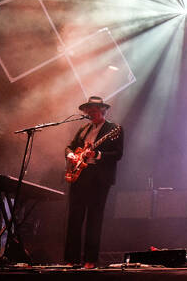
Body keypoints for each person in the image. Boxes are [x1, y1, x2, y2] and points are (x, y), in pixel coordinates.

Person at [64, 96, 124, 269]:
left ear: (103, 111)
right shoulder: (83, 129)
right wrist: (71, 155)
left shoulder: (114, 129)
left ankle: (90, 260)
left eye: (94, 111)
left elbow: (118, 154)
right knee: (74, 218)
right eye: (89, 111)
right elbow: (69, 146)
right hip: (80, 176)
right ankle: (71, 260)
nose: (91, 113)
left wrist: (96, 155)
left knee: (94, 219)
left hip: (99, 179)